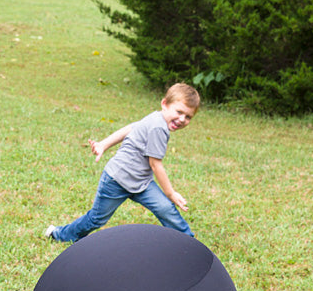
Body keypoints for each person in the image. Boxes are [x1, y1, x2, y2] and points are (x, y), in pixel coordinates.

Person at [44, 83, 200, 243]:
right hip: (116, 180)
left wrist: (104, 144)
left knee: (166, 209)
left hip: (141, 183)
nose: (182, 119)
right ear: (164, 104)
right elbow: (156, 164)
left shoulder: (157, 117)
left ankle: (189, 243)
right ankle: (59, 234)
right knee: (96, 219)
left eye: (188, 116)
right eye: (179, 112)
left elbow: (131, 128)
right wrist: (170, 193)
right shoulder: (158, 127)